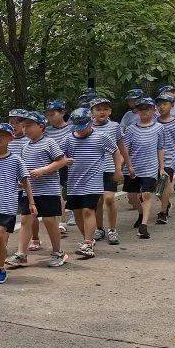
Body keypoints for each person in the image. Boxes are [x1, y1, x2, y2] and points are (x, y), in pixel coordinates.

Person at [7, 111, 72, 268]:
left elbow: (62, 161)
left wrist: (43, 170)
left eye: (29, 126)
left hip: (48, 190)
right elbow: (22, 168)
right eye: (23, 126)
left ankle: (58, 252)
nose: (25, 129)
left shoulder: (49, 143)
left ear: (41, 127)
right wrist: (20, 182)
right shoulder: (25, 146)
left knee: (50, 221)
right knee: (25, 220)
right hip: (29, 192)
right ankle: (21, 254)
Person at [61, 108, 122, 258]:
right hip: (74, 183)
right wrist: (64, 160)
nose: (81, 131)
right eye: (78, 129)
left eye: (83, 128)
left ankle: (88, 243)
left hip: (93, 182)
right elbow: (59, 155)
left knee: (88, 210)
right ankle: (88, 240)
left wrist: (118, 169)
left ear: (90, 123)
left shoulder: (101, 137)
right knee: (77, 213)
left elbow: (116, 151)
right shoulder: (68, 139)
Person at [0, 122, 34, 284]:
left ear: (10, 138)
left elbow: (25, 180)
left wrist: (31, 202)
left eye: (2, 135)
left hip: (7, 205)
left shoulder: (16, 160)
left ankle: (1, 268)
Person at [120, 97, 165, 239]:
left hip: (150, 166)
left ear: (153, 110)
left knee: (146, 194)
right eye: (141, 109)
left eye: (148, 108)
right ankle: (140, 213)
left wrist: (162, 168)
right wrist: (125, 166)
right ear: (137, 112)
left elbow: (160, 148)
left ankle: (144, 225)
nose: (144, 111)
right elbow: (125, 149)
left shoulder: (159, 128)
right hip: (133, 166)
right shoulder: (131, 129)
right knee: (131, 196)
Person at [90, 96, 123, 246]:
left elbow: (121, 148)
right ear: (92, 112)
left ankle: (112, 229)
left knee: (109, 198)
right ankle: (99, 228)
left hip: (110, 167)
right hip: (93, 170)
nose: (102, 112)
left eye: (105, 109)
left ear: (110, 111)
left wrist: (123, 167)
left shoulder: (115, 126)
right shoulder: (87, 126)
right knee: (97, 200)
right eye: (98, 109)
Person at [155, 92, 175, 224]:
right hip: (153, 158)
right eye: (159, 104)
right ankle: (166, 203)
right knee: (158, 187)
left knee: (164, 181)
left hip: (170, 158)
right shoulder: (153, 121)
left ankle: (163, 212)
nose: (161, 107)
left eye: (165, 104)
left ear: (171, 105)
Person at [43, 99, 73, 233]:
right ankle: (62, 221)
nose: (50, 117)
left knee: (72, 190)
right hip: (55, 164)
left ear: (62, 112)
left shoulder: (72, 127)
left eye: (53, 113)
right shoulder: (46, 131)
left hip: (72, 163)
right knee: (58, 191)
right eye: (48, 114)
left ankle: (73, 211)